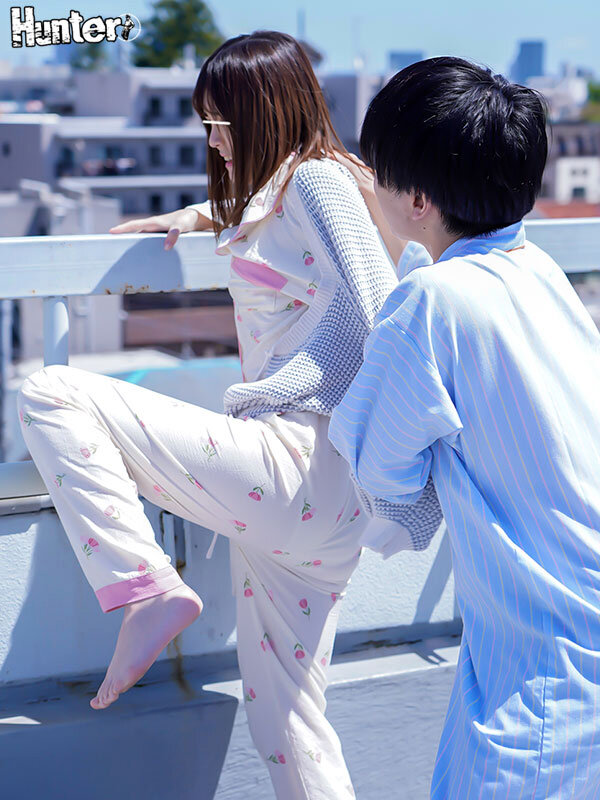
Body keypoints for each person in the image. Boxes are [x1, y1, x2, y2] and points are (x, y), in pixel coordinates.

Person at [17, 32, 441, 800]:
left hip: (297, 462)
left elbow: (383, 309)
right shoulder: (301, 188)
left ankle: (145, 587)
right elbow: (276, 235)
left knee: (51, 393)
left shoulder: (318, 181)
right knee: (287, 726)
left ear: (265, 112)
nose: (213, 140)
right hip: (319, 504)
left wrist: (305, 387)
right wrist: (197, 215)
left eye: (222, 123)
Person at [328, 56, 600, 799]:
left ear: (417, 199)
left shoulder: (430, 302)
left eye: (378, 174)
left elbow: (380, 471)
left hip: (546, 675)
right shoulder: (538, 271)